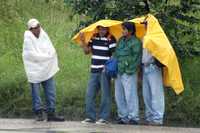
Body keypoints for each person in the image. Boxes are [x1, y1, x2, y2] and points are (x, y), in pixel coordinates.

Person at [22, 18, 64, 121]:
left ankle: (51, 113)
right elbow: (31, 55)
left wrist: (48, 57)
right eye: (34, 28)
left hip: (46, 68)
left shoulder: (44, 35)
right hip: (34, 70)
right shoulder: (28, 39)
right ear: (30, 29)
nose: (37, 29)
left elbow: (51, 49)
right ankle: (39, 113)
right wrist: (46, 57)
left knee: (51, 91)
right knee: (36, 93)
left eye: (38, 26)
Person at [80, 26, 116, 124]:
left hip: (104, 71)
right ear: (97, 29)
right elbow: (87, 52)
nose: (102, 31)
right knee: (89, 94)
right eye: (100, 29)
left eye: (104, 29)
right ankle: (90, 117)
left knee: (105, 95)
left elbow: (114, 54)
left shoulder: (110, 38)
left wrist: (108, 67)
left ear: (107, 29)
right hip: (94, 70)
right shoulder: (94, 37)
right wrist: (83, 41)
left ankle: (103, 118)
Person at [114, 22, 142, 125]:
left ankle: (133, 117)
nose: (122, 31)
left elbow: (136, 58)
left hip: (129, 72)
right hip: (118, 71)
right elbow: (116, 53)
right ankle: (123, 117)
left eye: (124, 29)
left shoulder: (136, 42)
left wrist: (128, 68)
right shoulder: (121, 40)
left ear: (131, 31)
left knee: (130, 94)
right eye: (122, 29)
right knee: (119, 95)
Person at [142, 21, 165, 125]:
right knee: (146, 94)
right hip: (145, 68)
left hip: (153, 67)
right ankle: (150, 117)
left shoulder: (158, 38)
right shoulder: (144, 37)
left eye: (147, 25)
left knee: (156, 94)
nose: (145, 26)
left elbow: (163, 52)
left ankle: (158, 118)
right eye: (145, 25)